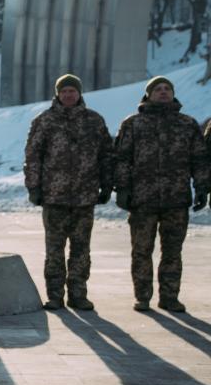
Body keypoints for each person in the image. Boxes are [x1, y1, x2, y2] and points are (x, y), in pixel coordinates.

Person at [114, 76, 209, 312]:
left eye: (167, 89)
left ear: (173, 93)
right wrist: (122, 189)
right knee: (142, 250)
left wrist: (202, 188)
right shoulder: (133, 124)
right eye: (158, 89)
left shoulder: (187, 124)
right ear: (149, 94)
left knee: (173, 252)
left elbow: (199, 160)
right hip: (142, 200)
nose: (163, 92)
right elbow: (122, 159)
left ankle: (169, 297)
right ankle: (143, 297)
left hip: (176, 199)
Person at [22, 74, 113, 310]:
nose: (68, 95)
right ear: (57, 94)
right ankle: (54, 295)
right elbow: (33, 157)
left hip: (85, 197)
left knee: (81, 249)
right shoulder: (45, 121)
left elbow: (106, 155)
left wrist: (107, 184)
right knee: (54, 250)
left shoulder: (94, 121)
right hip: (54, 197)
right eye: (64, 91)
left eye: (72, 91)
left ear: (80, 93)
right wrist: (34, 187)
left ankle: (78, 294)